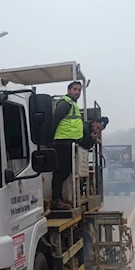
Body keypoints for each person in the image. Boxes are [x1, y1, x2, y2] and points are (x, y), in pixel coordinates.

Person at [51, 81, 84, 209]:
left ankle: (60, 198)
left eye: (79, 90)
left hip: (70, 142)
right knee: (61, 172)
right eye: (75, 89)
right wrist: (51, 140)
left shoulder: (72, 104)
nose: (77, 92)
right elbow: (55, 120)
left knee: (66, 172)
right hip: (63, 142)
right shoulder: (65, 103)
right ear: (69, 90)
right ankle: (56, 200)